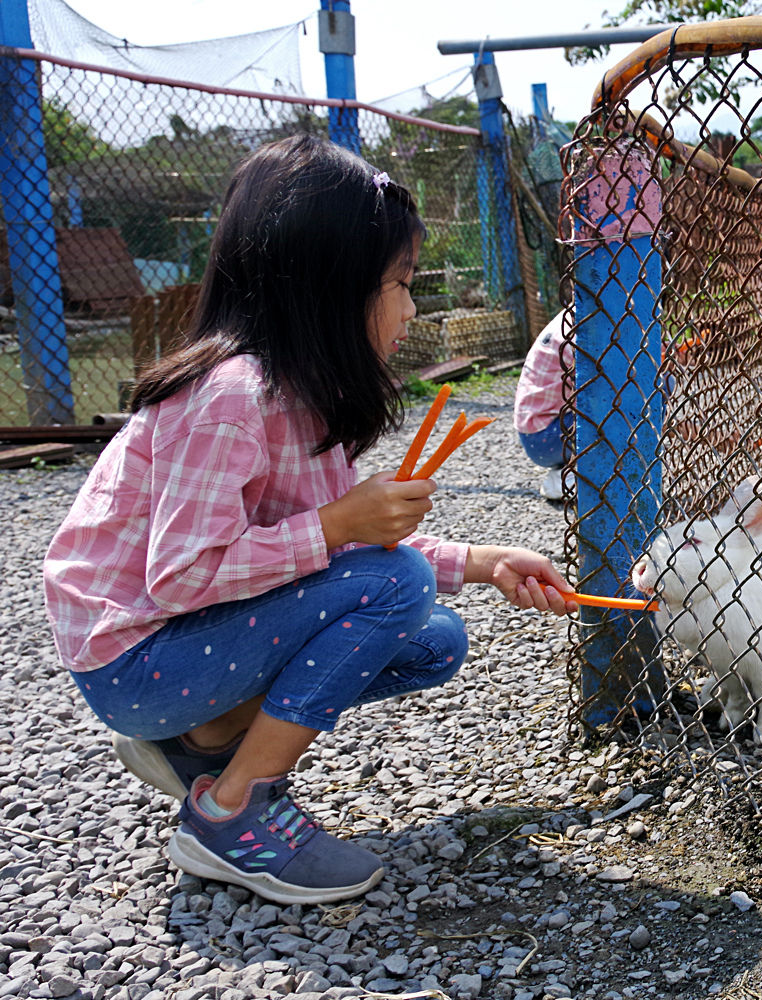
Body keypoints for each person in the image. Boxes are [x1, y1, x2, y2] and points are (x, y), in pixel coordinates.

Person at [42, 134, 578, 907]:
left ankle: (204, 744)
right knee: (397, 587)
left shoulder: (301, 397)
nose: (411, 306)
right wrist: (332, 526)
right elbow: (184, 574)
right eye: (398, 283)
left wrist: (484, 561)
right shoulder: (230, 397)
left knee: (435, 639)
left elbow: (354, 544)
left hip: (186, 641)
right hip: (132, 658)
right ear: (328, 287)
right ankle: (228, 814)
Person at [513, 309, 571, 500]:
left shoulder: (570, 318)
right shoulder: (584, 333)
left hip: (538, 435)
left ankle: (567, 475)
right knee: (653, 393)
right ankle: (578, 478)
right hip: (547, 436)